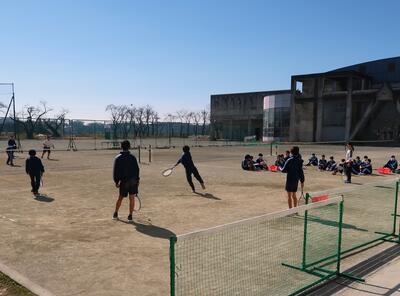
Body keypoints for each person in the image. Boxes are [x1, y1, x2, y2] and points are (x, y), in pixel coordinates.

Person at [113, 140, 140, 222]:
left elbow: (116, 171)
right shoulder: (133, 157)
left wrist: (116, 181)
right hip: (133, 181)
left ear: (121, 147)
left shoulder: (118, 158)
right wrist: (137, 180)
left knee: (120, 198)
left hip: (124, 182)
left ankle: (115, 213)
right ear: (129, 147)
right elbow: (137, 169)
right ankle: (130, 216)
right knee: (132, 198)